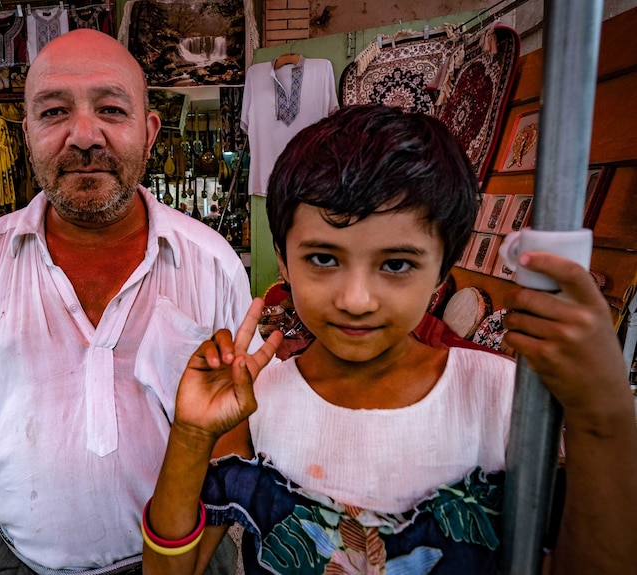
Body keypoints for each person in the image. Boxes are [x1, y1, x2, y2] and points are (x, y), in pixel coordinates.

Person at [142, 105, 637, 574]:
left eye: (397, 264)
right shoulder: (254, 402)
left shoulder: (504, 396)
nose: (357, 299)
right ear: (283, 258)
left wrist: (602, 417)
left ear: (443, 269)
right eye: (323, 259)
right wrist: (190, 434)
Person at [0, 29, 256, 575]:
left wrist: (191, 562)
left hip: (185, 556)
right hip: (18, 561)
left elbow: (234, 425)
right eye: (54, 112)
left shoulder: (211, 262)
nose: (84, 136)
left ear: (148, 133)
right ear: (27, 134)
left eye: (111, 109)